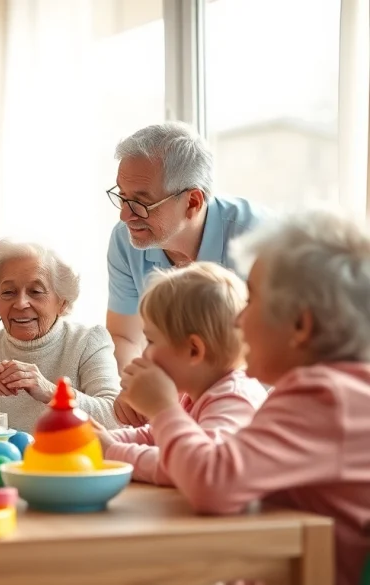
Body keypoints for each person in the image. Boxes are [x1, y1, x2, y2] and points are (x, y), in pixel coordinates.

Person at [118, 210, 370, 585]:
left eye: (251, 300)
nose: (237, 322)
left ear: (300, 326)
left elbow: (211, 483)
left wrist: (163, 408)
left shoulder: (325, 396)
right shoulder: (332, 391)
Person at [106, 121, 267, 426]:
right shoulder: (125, 238)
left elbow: (284, 354)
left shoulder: (260, 243)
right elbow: (125, 334)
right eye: (122, 196)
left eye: (140, 202)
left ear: (192, 202)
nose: (124, 215)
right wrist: (135, 387)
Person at [95, 262, 266, 486]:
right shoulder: (193, 394)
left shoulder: (233, 398)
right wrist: (97, 440)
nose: (144, 354)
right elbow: (155, 437)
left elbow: (193, 467)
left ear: (193, 350)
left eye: (152, 341)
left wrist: (114, 452)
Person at [0, 238, 121, 432]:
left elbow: (117, 416)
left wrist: (53, 393)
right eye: (8, 292)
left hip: (67, 461)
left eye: (36, 291)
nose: (21, 303)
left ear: (62, 302)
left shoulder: (87, 342)